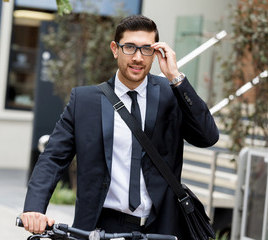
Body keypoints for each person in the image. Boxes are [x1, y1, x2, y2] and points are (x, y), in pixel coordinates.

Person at [21, 15, 219, 239]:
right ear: (115, 49)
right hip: (102, 228)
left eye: (146, 49)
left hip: (162, 229)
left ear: (155, 54)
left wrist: (176, 77)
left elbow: (208, 136)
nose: (137, 57)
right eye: (130, 47)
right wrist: (34, 208)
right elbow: (53, 158)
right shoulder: (85, 101)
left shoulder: (171, 93)